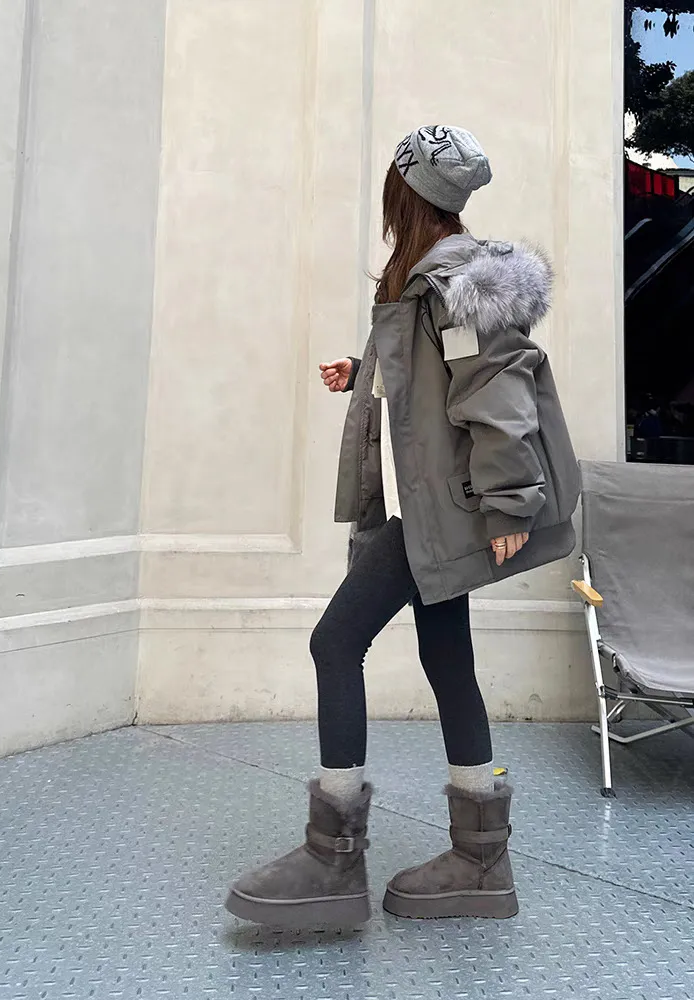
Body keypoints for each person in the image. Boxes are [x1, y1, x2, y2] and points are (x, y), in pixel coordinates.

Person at [225, 125, 580, 928]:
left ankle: (332, 858)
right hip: (423, 502)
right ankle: (481, 859)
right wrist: (363, 374)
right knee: (446, 655)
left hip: (436, 509)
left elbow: (496, 393)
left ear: (409, 195)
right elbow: (432, 376)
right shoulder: (425, 280)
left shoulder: (453, 283)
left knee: (335, 642)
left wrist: (509, 504)